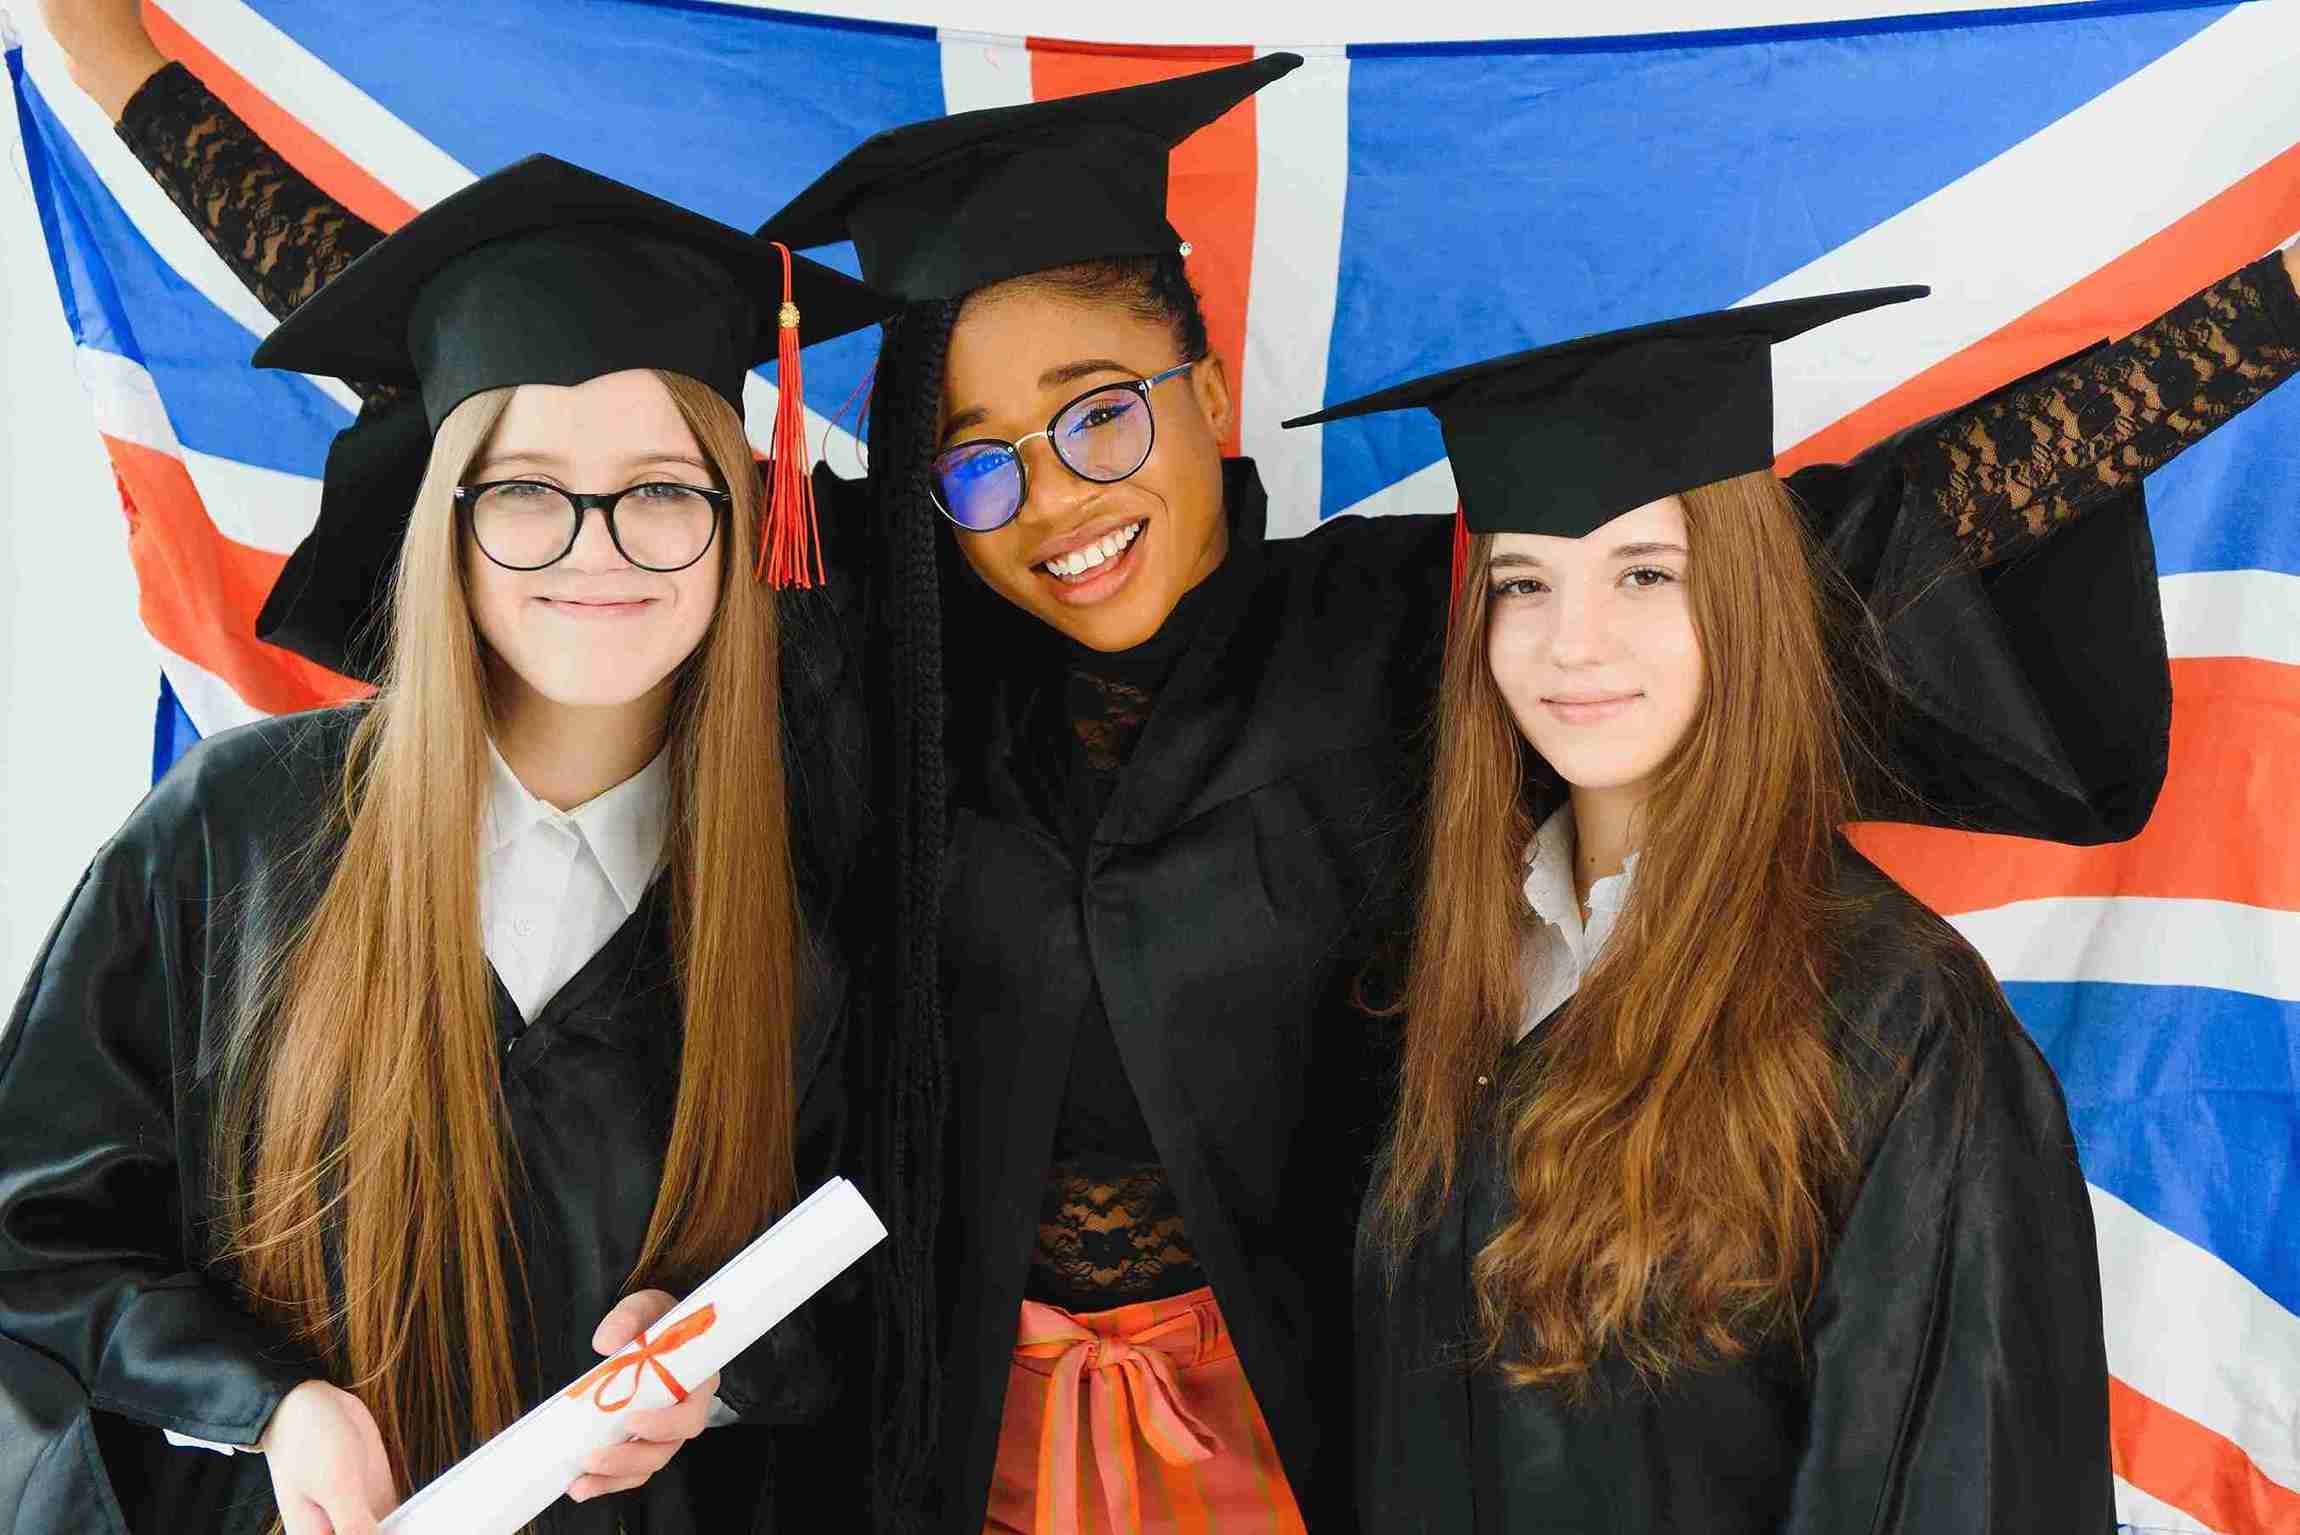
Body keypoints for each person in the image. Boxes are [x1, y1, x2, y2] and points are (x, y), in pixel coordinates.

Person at [31, 12, 2300, 1526]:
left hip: (1327, 1433)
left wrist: (2249, 291)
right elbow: (539, 405)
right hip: (921, 1454)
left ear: (1201, 387)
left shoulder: (1419, 642)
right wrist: (112, 62)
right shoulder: (842, 701)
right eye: (985, 463)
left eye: (1099, 414)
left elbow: (1807, 556)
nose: (1058, 497)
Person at [0, 155, 888, 1535]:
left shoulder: (806, 884)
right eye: (527, 489)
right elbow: (29, 1238)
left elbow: (877, 1298)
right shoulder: (236, 836)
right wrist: (266, 1400)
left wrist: (714, 1362)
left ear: (739, 524)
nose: (599, 549)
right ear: (446, 528)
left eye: (663, 489)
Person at [1284, 289, 2186, 1530]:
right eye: (1523, 583)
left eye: (1643, 572)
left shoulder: (1886, 1016)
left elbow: (1949, 1481)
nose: (1570, 644)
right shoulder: (1458, 971)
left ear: (1744, 602)